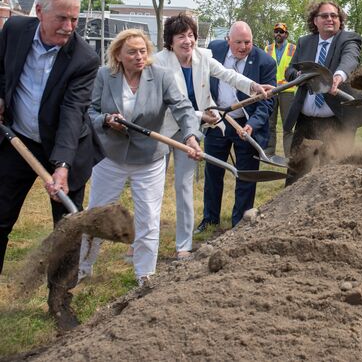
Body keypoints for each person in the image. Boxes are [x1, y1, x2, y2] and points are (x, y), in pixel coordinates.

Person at [0, 0, 102, 329]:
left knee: (68, 228)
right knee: (0, 216)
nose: (69, 27)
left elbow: (74, 113)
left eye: (74, 19)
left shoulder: (84, 58)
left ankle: (60, 301)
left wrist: (61, 166)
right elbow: (2, 71)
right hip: (18, 143)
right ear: (39, 12)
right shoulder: (13, 30)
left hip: (66, 146)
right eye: (62, 18)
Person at [79, 29, 202, 287]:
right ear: (118, 55)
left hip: (149, 158)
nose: (139, 56)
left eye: (143, 51)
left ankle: (145, 274)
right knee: (97, 215)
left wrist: (191, 136)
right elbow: (89, 112)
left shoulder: (160, 77)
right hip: (110, 157)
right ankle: (82, 269)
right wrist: (106, 120)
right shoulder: (105, 76)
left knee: (148, 217)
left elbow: (183, 107)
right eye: (132, 52)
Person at [154, 14, 271, 259]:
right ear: (170, 41)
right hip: (162, 129)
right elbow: (165, 104)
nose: (187, 41)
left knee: (184, 187)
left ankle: (183, 246)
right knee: (153, 189)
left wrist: (253, 87)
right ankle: (145, 242)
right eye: (181, 37)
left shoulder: (203, 58)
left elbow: (229, 75)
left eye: (191, 35)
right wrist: (199, 114)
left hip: (191, 130)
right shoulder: (158, 64)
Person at [196, 21, 276, 232]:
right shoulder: (214, 50)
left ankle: (240, 222)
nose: (242, 47)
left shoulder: (265, 62)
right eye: (238, 42)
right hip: (217, 119)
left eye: (247, 42)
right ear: (227, 40)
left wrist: (252, 125)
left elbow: (267, 101)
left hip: (245, 123)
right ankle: (210, 219)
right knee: (213, 172)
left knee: (246, 175)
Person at [283, 0, 362, 184]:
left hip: (337, 119)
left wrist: (338, 76)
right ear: (315, 21)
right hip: (305, 120)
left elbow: (350, 59)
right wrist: (298, 74)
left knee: (333, 176)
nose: (330, 19)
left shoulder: (348, 39)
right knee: (295, 173)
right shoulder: (304, 42)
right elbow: (290, 70)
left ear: (340, 20)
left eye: (334, 16)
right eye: (324, 16)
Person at [264, 22, 296, 157]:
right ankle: (269, 152)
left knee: (287, 125)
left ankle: (290, 155)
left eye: (281, 32)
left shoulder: (293, 49)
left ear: (286, 34)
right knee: (269, 123)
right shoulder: (267, 49)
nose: (278, 34)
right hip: (271, 90)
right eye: (276, 31)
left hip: (287, 91)